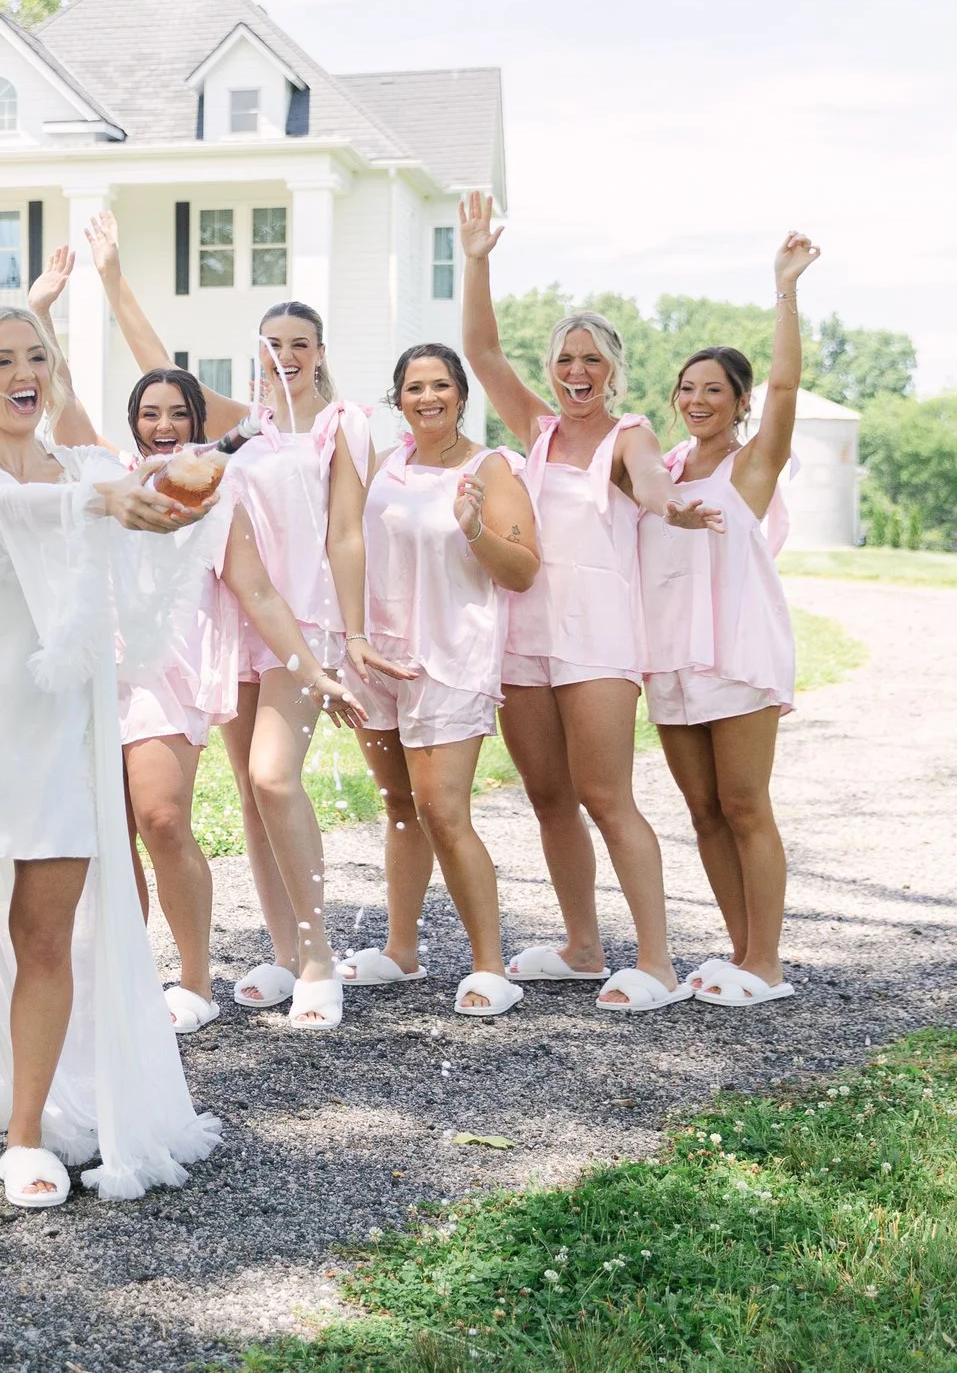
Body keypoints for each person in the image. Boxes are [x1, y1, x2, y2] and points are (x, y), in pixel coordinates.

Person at [0, 300, 225, 1209]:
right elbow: (8, 508)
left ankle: (28, 1133)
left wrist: (181, 494)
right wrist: (101, 497)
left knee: (47, 935)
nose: (19, 374)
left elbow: (152, 522)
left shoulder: (87, 464)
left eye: (35, 356)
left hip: (60, 732)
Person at [34, 234, 363, 1033]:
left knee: (206, 803)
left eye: (298, 344)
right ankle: (240, 959)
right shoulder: (133, 465)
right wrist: (57, 300)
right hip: (127, 661)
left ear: (320, 353)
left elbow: (272, 575)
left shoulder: (233, 478)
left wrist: (324, 659)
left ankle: (300, 961)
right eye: (151, 413)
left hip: (235, 642)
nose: (164, 423)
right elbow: (65, 392)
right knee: (195, 808)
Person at [456, 191, 718, 1014]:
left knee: (607, 795)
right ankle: (579, 944)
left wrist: (670, 505)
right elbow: (480, 348)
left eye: (591, 362)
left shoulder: (627, 433)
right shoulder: (533, 428)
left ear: (613, 370)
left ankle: (659, 962)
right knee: (546, 795)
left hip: (597, 640)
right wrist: (477, 258)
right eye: (566, 360)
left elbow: (650, 484)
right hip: (525, 631)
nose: (576, 374)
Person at [334, 346, 543, 1017]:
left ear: (460, 395)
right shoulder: (384, 465)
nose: (429, 396)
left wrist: (475, 526)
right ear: (399, 399)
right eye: (415, 387)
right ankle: (401, 951)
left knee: (443, 810)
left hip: (451, 657)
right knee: (398, 803)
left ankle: (490, 965)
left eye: (442, 385)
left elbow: (522, 571)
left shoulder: (492, 467)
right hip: (380, 656)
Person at [641, 234, 820, 1007]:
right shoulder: (664, 469)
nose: (698, 400)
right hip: (671, 659)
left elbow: (785, 387)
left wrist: (784, 289)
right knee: (703, 809)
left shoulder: (750, 465)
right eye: (687, 388)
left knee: (746, 804)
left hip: (736, 654)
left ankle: (769, 964)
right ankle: (742, 951)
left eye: (714, 389)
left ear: (739, 401)